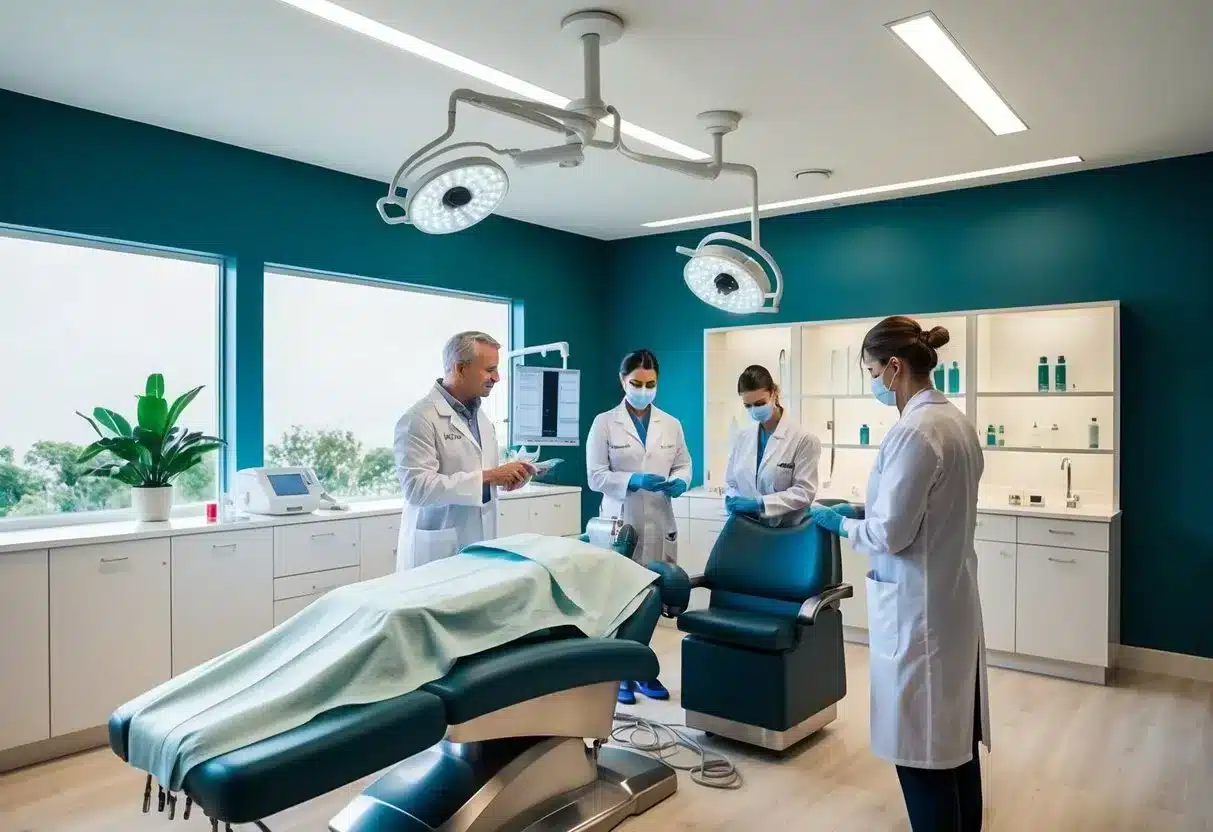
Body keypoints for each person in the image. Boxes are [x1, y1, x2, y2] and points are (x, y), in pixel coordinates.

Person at [809, 317, 989, 832]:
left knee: (922, 751)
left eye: (870, 370)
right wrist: (869, 512)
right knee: (955, 745)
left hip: (919, 613)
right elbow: (922, 512)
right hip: (947, 601)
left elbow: (892, 536)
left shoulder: (914, 431)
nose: (871, 381)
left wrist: (841, 523)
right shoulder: (954, 421)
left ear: (894, 368)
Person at [586, 349, 691, 705]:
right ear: (623, 381)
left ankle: (642, 670)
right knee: (623, 600)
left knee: (653, 597)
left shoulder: (670, 424)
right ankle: (621, 674)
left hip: (660, 519)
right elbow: (595, 477)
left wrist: (681, 481)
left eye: (651, 384)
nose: (644, 390)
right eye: (637, 383)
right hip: (621, 523)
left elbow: (684, 463)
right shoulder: (604, 422)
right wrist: (633, 479)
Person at [393, 331, 535, 570]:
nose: (497, 377)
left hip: (481, 544)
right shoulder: (418, 419)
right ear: (460, 369)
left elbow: (478, 476)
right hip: (437, 551)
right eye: (489, 369)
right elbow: (416, 488)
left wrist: (507, 478)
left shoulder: (481, 418)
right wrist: (490, 476)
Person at [723, 364, 821, 526]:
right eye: (748, 406)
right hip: (746, 527)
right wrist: (731, 498)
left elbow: (804, 492)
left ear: (774, 394)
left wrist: (761, 504)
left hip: (785, 532)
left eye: (760, 403)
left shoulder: (804, 440)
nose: (754, 410)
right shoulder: (743, 438)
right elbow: (731, 482)